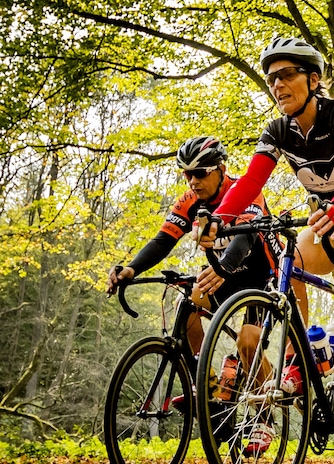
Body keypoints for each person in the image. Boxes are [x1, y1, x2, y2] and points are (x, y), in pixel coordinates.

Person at [212, 36, 334, 451]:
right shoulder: (278, 130)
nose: (276, 86)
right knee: (287, 260)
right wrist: (217, 218)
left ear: (313, 79)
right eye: (271, 79)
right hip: (327, 228)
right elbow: (250, 183)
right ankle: (301, 358)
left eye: (286, 75)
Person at [108, 136, 277, 357]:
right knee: (185, 305)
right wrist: (132, 269)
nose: (193, 181)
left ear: (221, 169)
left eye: (200, 173)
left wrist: (223, 267)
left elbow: (246, 236)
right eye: (187, 174)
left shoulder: (245, 191)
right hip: (226, 275)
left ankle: (263, 388)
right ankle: (205, 380)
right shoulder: (190, 201)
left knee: (247, 343)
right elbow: (163, 240)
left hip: (265, 277)